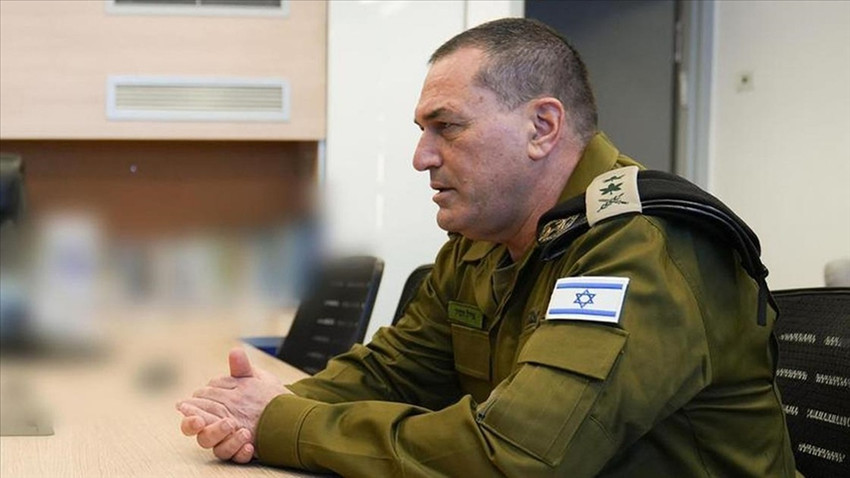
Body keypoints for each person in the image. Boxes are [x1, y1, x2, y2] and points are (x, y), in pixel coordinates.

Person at [177, 18, 797, 477]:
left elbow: (516, 456)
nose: (421, 157)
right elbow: (396, 373)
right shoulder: (484, 241)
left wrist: (281, 422)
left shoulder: (641, 246)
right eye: (422, 131)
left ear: (542, 127)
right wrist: (256, 409)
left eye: (446, 127)